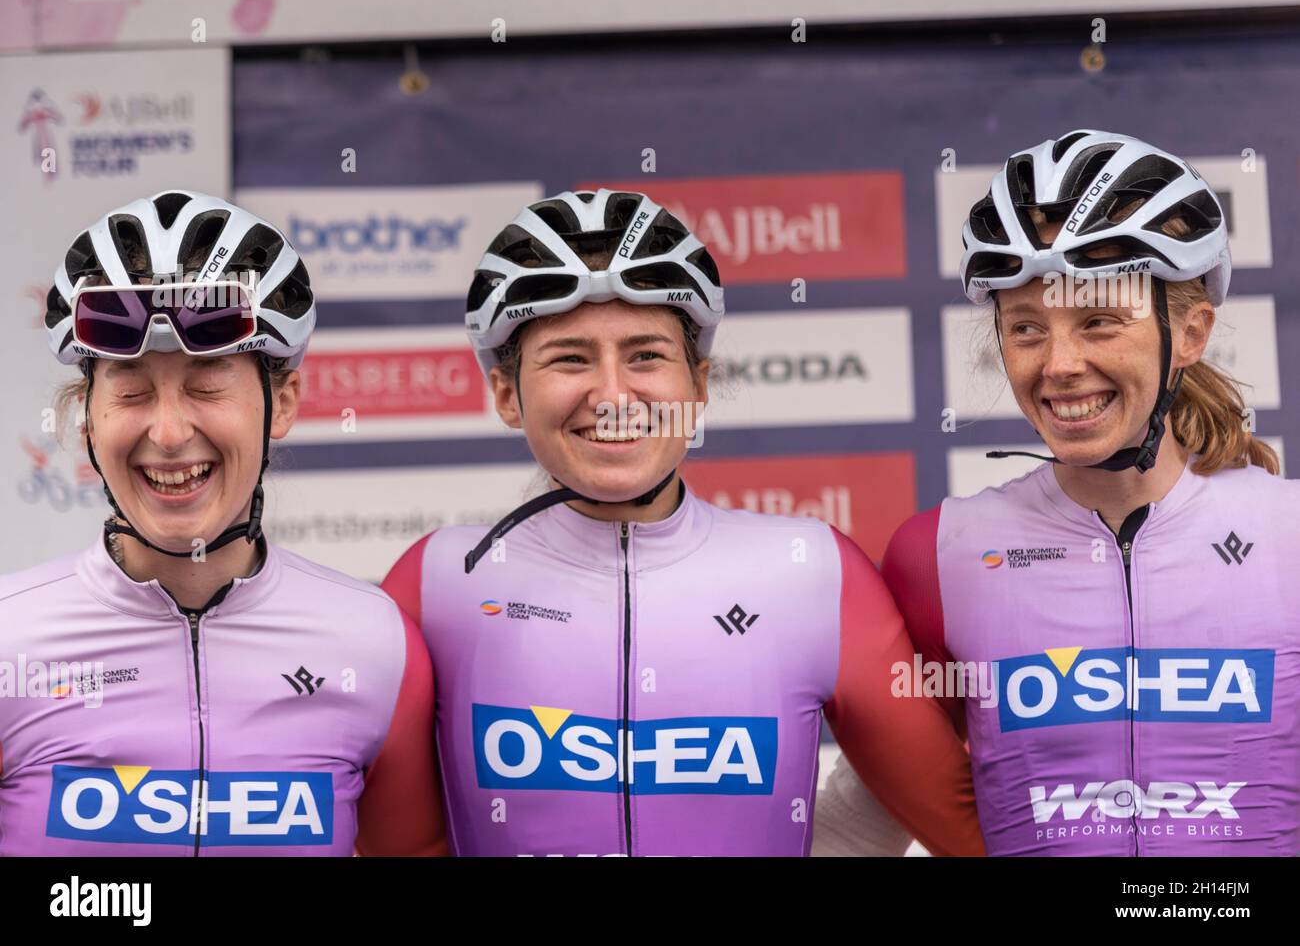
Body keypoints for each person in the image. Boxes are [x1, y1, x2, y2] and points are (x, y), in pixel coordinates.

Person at [381, 189, 984, 856]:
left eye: (645, 356)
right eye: (570, 358)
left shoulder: (808, 570)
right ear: (505, 393)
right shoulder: (434, 584)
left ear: (698, 386)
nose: (612, 395)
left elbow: (967, 830)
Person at [821, 129, 1299, 855]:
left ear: (1192, 330)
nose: (1060, 364)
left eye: (1099, 321)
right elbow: (866, 818)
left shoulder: (1289, 535)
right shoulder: (943, 555)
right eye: (1026, 328)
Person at [0, 190, 445, 856]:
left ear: (283, 401)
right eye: (131, 387)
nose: (170, 431)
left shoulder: (376, 644)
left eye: (208, 383)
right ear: (87, 413)